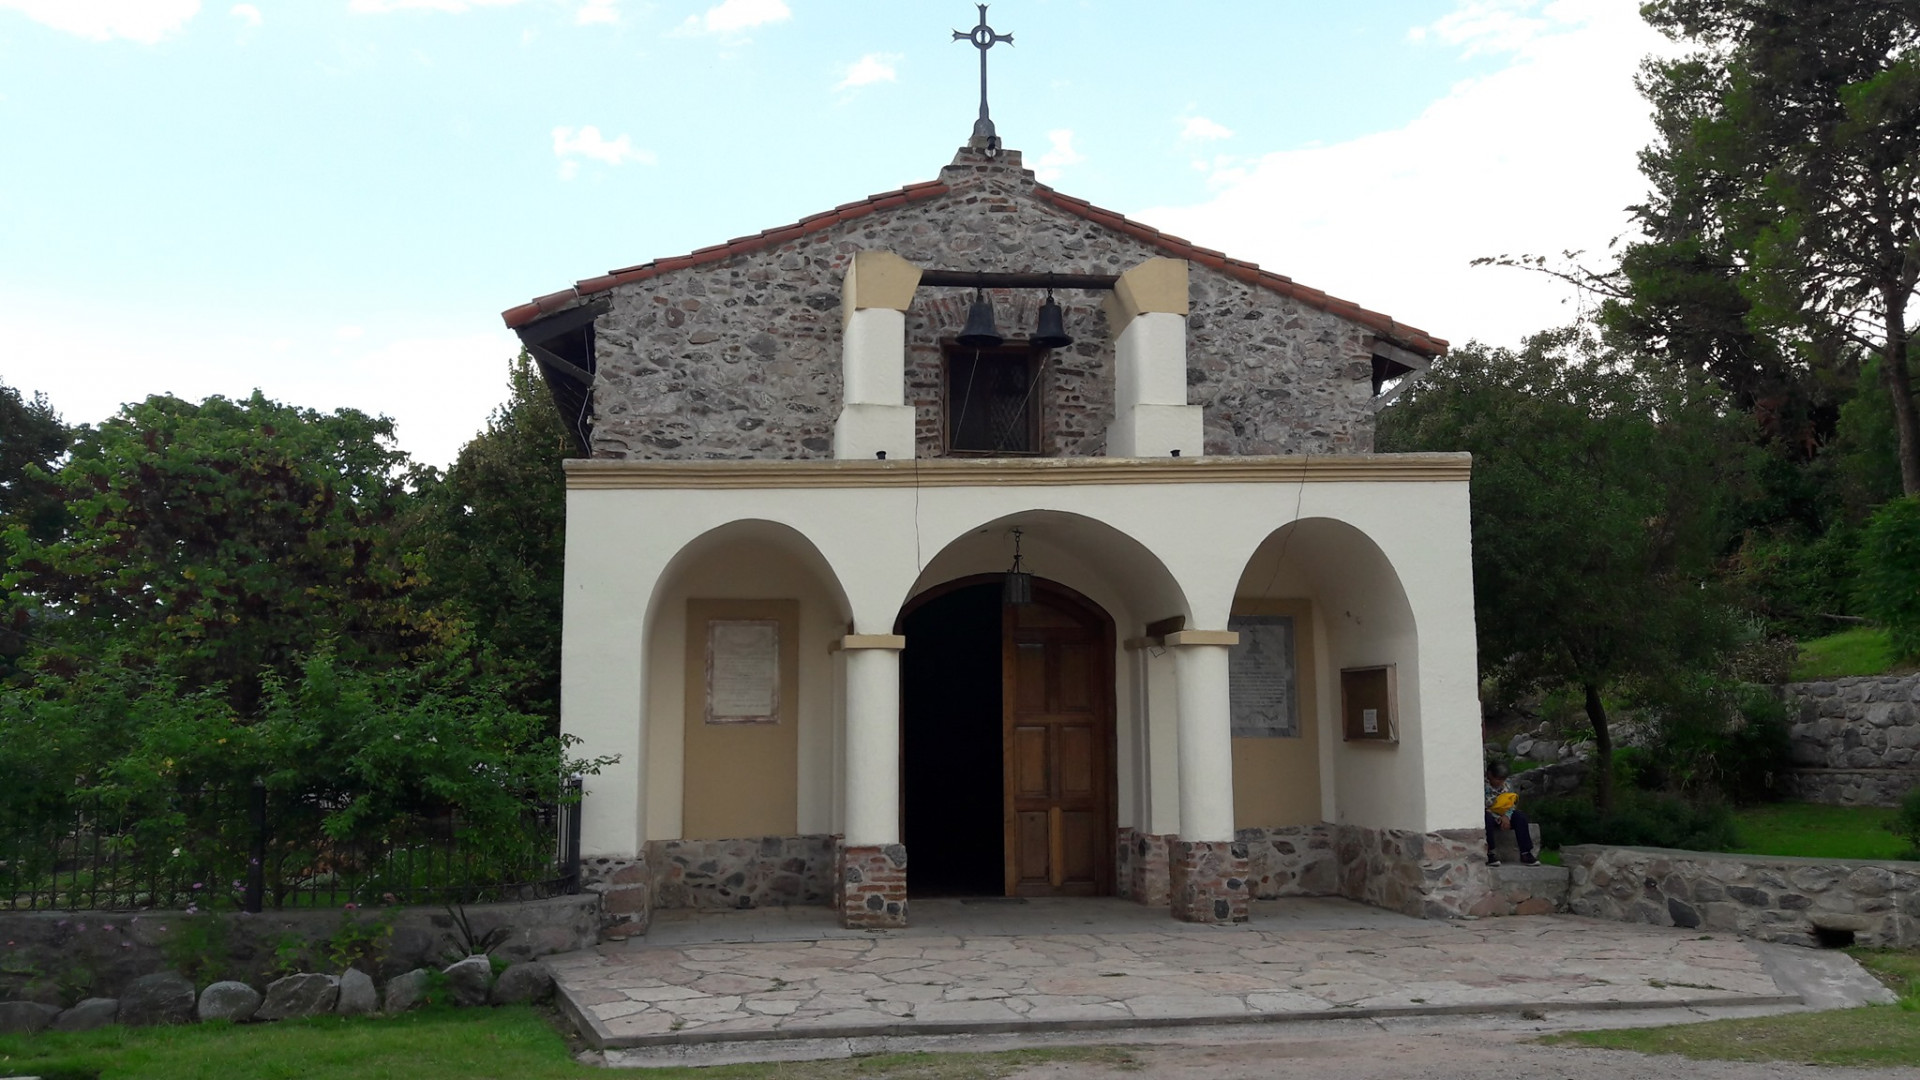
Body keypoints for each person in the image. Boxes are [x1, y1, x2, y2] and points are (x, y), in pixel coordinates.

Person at [1485, 760, 1540, 866]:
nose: (1500, 782)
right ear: (1490, 775)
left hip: (1504, 814)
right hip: (1490, 814)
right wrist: (1498, 817)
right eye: (1498, 779)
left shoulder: (1507, 785)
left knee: (1520, 817)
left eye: (1502, 779)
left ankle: (1526, 853)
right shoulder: (1482, 786)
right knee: (1486, 818)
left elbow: (1511, 802)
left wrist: (1506, 816)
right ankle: (1490, 853)